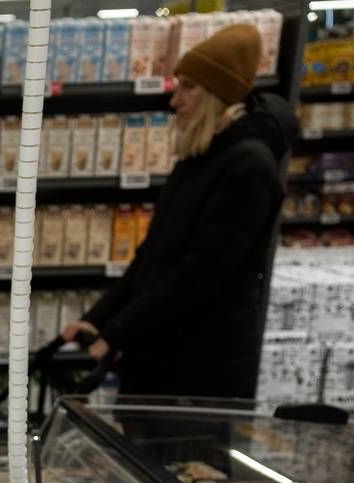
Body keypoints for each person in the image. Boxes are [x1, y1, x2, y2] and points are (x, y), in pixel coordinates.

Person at [63, 23, 296, 400]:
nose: (175, 100)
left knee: (177, 443)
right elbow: (152, 257)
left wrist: (118, 332)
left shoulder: (249, 166)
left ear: (217, 94)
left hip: (201, 367)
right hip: (159, 349)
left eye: (188, 87)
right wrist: (97, 319)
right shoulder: (200, 155)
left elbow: (199, 274)